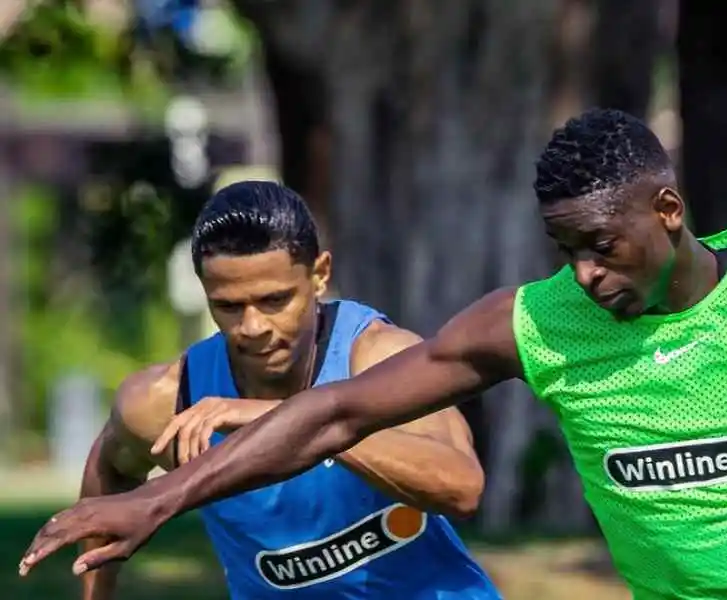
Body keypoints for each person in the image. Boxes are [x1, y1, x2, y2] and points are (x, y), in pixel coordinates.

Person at [21, 110, 727, 599]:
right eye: (567, 250)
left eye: (605, 247)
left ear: (669, 213)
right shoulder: (536, 323)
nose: (588, 274)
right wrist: (154, 498)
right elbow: (339, 411)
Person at [64, 181, 500, 599]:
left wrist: (284, 419)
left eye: (275, 300)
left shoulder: (379, 359)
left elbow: (460, 488)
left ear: (319, 275)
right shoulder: (170, 401)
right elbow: (111, 469)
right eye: (229, 306)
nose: (252, 327)